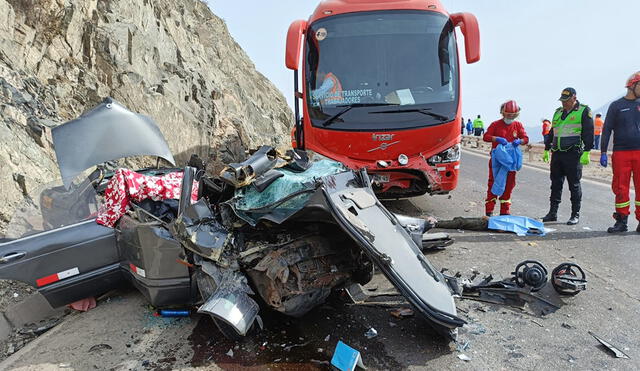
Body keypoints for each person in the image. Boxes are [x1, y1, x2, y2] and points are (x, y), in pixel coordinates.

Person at [541, 88, 594, 225]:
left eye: (567, 100)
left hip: (573, 153)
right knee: (555, 184)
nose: (564, 103)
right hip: (557, 153)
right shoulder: (558, 112)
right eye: (562, 101)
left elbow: (588, 131)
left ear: (574, 98)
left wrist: (587, 150)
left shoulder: (583, 111)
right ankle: (553, 213)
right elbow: (553, 131)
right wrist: (547, 148)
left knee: (574, 185)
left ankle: (575, 214)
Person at [599, 71, 640, 233]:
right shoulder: (616, 106)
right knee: (621, 187)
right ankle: (621, 221)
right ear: (632, 86)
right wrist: (603, 151)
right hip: (621, 152)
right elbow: (607, 129)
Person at [483, 100, 529, 216]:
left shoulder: (518, 125)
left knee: (509, 185)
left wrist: (519, 141)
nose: (510, 117)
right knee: (494, 183)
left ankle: (505, 212)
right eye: (508, 115)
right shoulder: (495, 124)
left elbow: (525, 139)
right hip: (497, 161)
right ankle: (489, 211)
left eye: (513, 115)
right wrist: (496, 139)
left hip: (511, 161)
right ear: (503, 113)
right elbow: (486, 137)